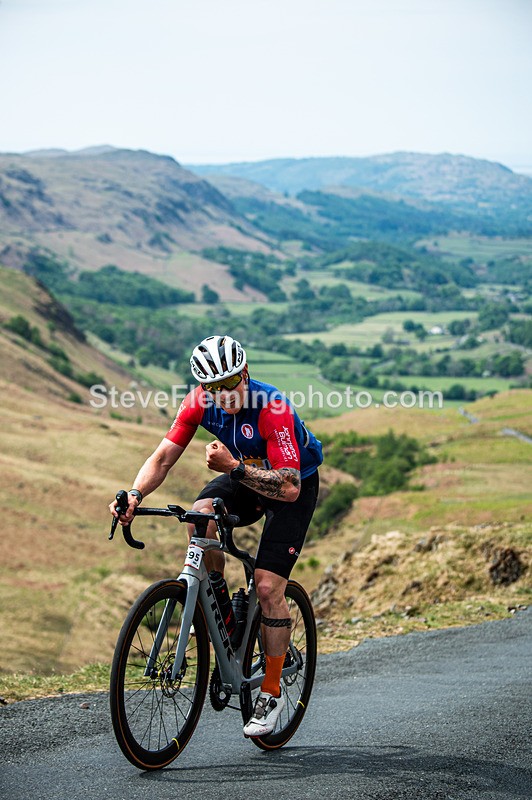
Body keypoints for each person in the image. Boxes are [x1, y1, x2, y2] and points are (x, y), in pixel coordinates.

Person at [110, 334, 322, 737]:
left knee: (267, 587)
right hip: (242, 473)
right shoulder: (198, 403)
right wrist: (135, 493)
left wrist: (234, 468)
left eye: (230, 384)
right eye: (212, 388)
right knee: (198, 516)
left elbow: (290, 487)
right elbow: (162, 457)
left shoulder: (271, 407)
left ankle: (273, 692)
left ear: (245, 373)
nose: (223, 395)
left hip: (291, 485)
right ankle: (224, 616)